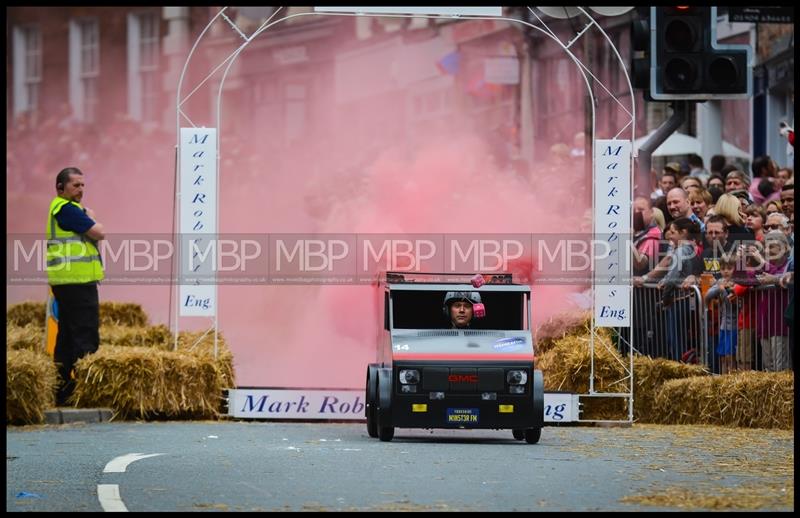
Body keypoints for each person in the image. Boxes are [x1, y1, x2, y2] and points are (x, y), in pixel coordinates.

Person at [47, 167, 105, 406]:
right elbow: (100, 233)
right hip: (77, 282)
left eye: (83, 185)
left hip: (68, 281)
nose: (81, 190)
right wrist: (90, 216)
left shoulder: (63, 209)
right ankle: (85, 392)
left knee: (67, 336)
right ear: (60, 188)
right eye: (75, 185)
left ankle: (63, 390)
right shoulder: (68, 209)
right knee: (85, 335)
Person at [704, 255, 739, 374]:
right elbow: (707, 295)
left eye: (729, 268)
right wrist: (720, 288)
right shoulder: (720, 282)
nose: (725, 271)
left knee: (731, 357)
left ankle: (731, 380)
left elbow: (735, 305)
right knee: (723, 357)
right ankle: (723, 380)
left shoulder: (738, 282)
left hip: (735, 326)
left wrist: (725, 289)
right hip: (723, 326)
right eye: (723, 268)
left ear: (736, 268)